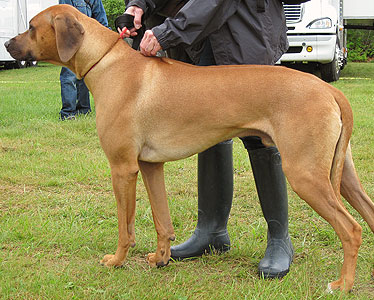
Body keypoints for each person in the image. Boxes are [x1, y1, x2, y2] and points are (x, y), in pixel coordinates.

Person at [120, 0, 308, 279]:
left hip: (245, 30)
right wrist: (139, 5)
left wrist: (168, 32)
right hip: (201, 38)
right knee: (206, 129)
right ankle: (212, 231)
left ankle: (280, 238)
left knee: (259, 135)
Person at [59, 0, 109, 120]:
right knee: (69, 77)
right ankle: (68, 113)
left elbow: (101, 20)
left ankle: (84, 110)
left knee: (84, 76)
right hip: (69, 44)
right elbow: (64, 18)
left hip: (87, 45)